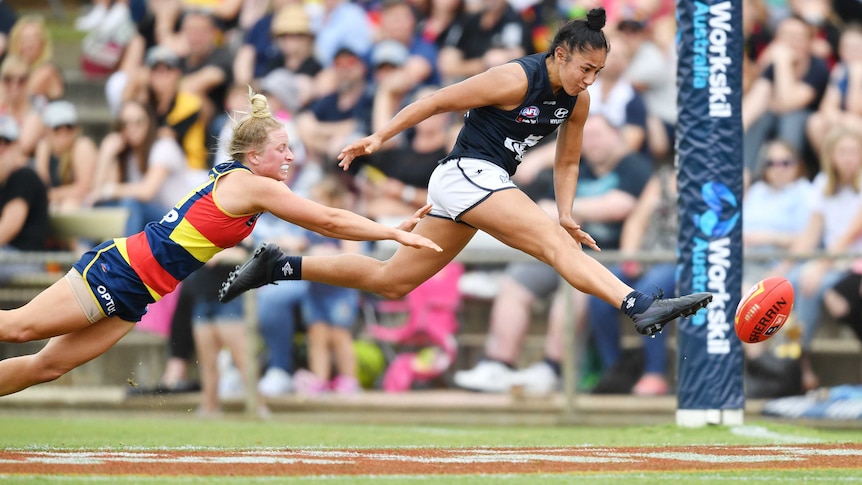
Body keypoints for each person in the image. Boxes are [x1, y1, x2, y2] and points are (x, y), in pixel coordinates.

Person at [219, 9, 713, 347]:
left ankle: (278, 267)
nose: (590, 80)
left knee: (392, 280)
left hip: (478, 185)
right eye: (585, 67)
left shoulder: (577, 101)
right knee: (554, 248)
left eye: (599, 72)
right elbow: (436, 100)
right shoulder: (516, 77)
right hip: (465, 175)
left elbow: (567, 162)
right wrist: (378, 137)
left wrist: (566, 213)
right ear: (560, 54)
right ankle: (638, 304)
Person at [0, 88, 440, 398]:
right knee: (16, 327)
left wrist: (387, 227)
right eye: (283, 148)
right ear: (254, 156)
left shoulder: (248, 182)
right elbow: (327, 220)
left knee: (48, 366)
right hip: (120, 271)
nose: (290, 157)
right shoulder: (254, 185)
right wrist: (389, 231)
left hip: (139, 290)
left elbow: (328, 220)